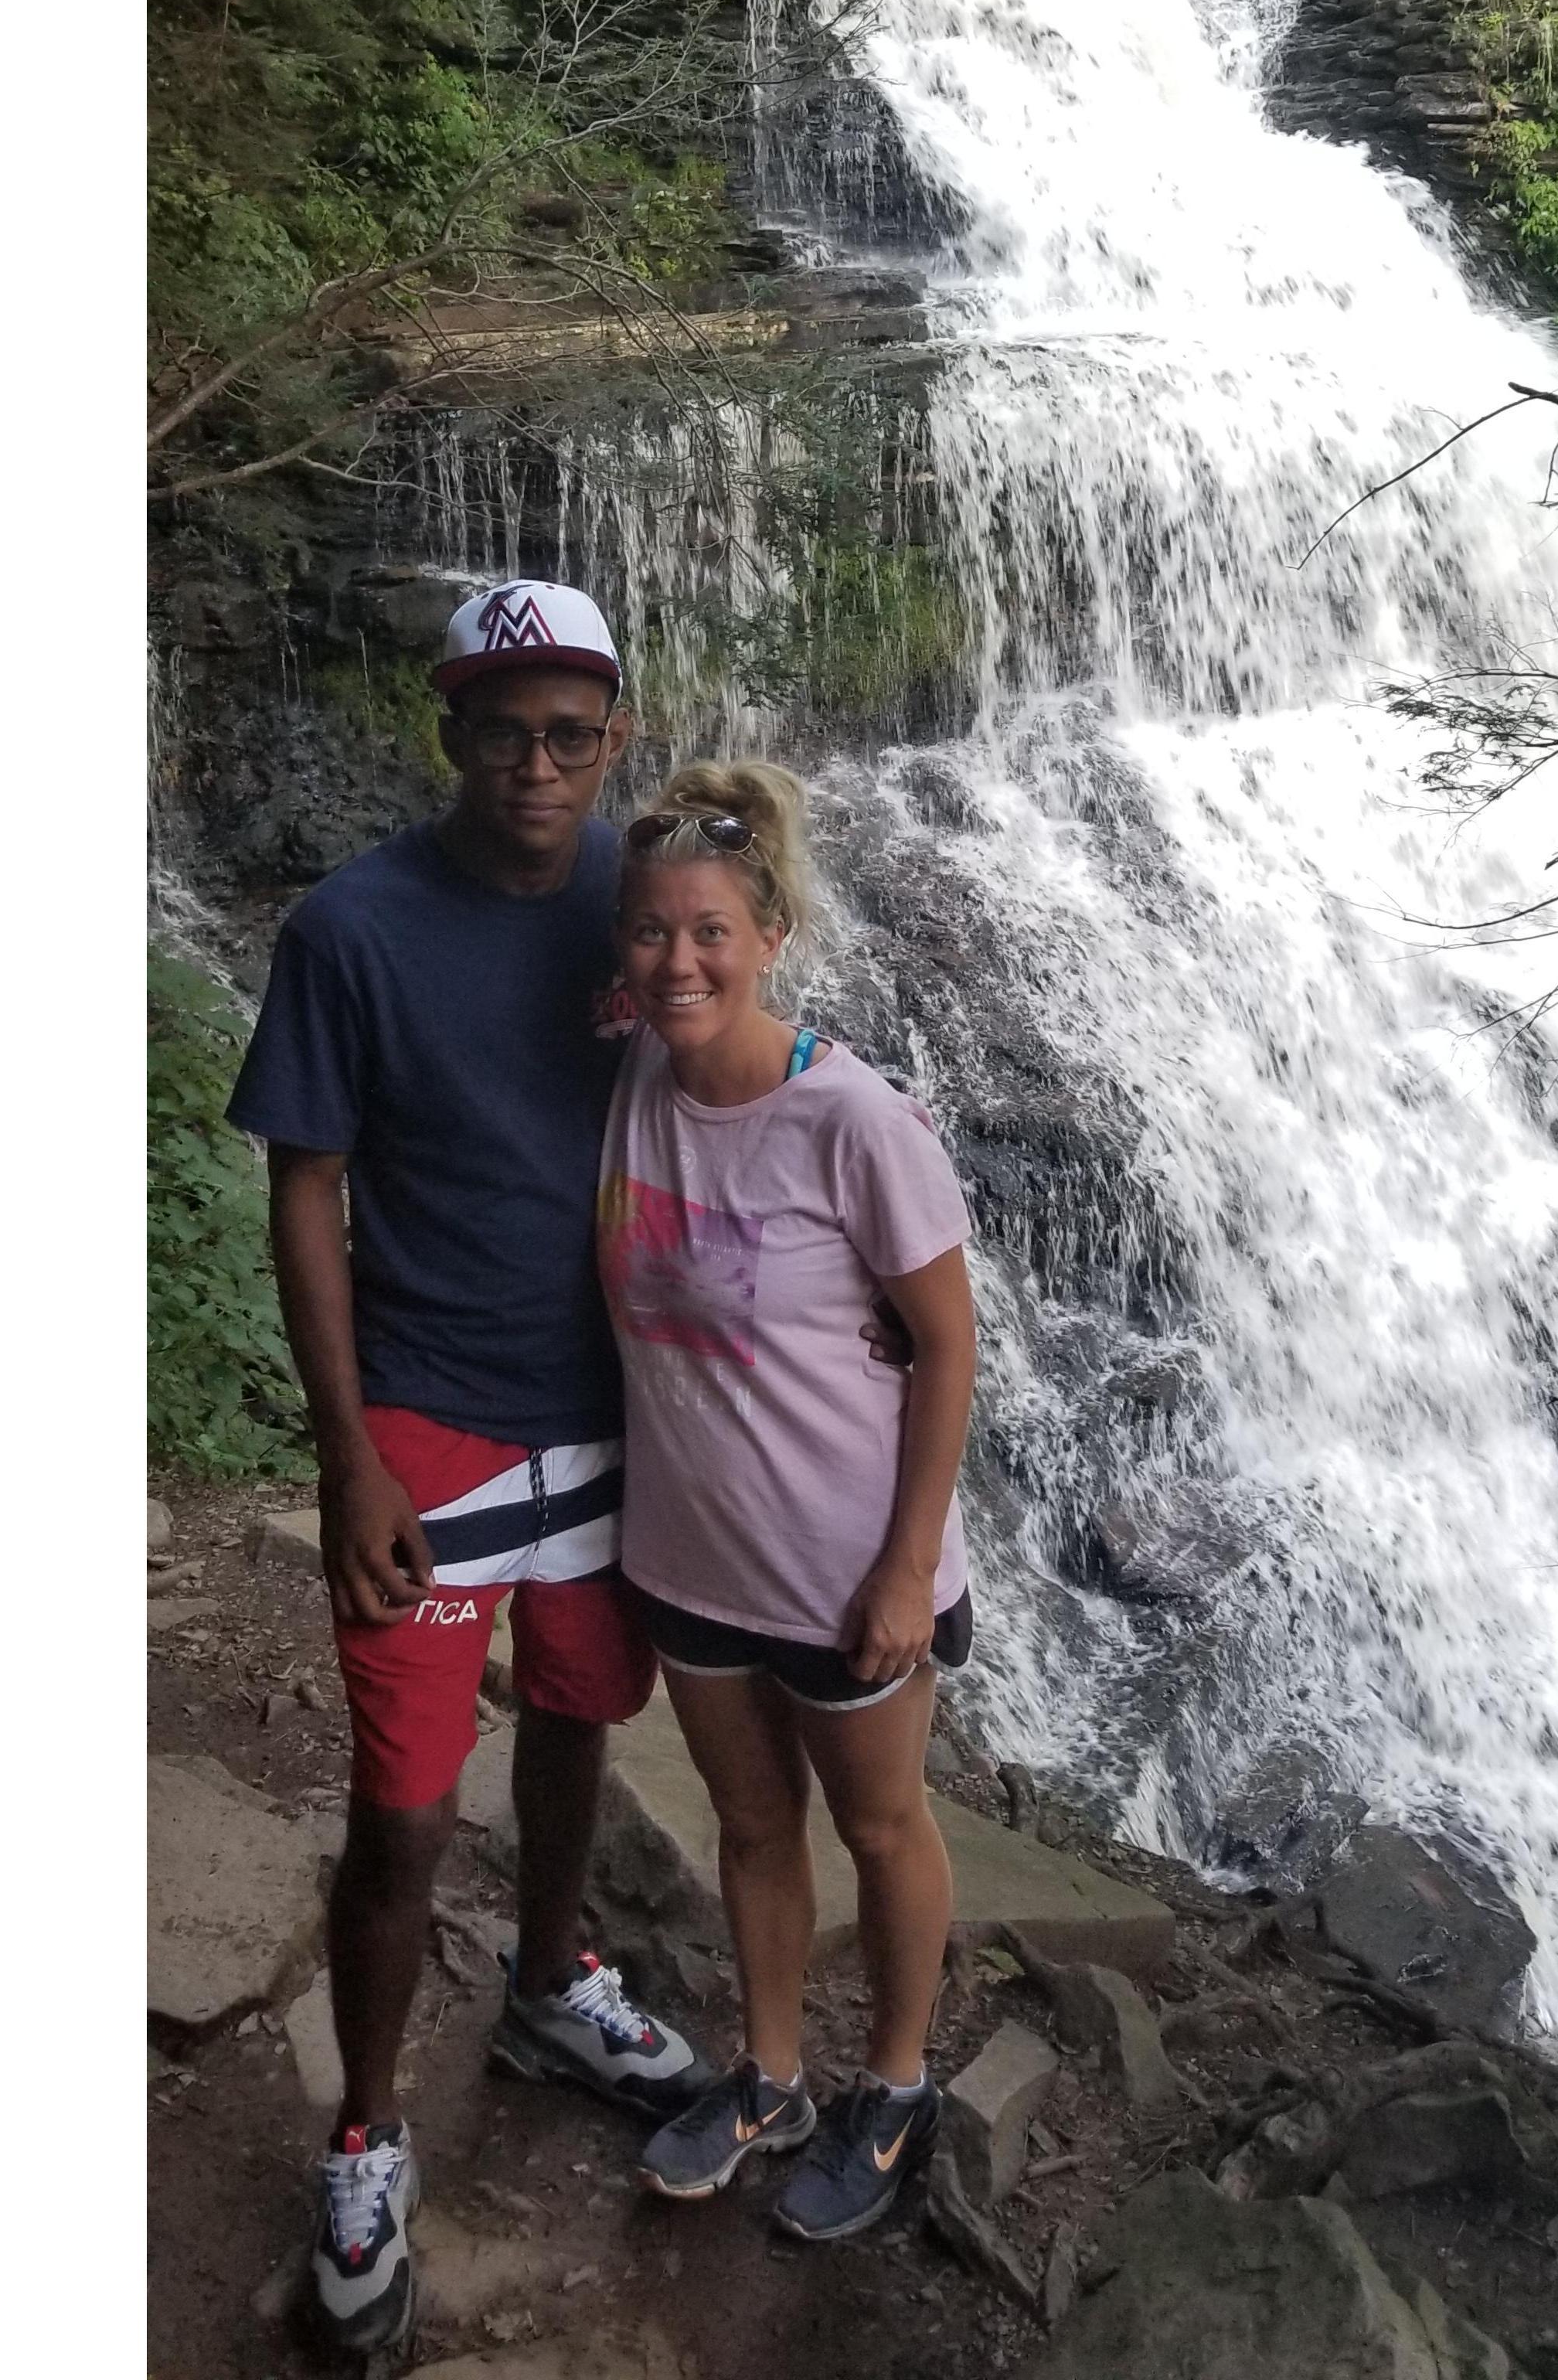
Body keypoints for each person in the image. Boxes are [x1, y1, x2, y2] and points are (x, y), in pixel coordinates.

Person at [226, 578, 710, 2357]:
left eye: (570, 734)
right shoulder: (353, 929)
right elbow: (305, 1185)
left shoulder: (641, 909)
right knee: (406, 1809)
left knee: (579, 1715)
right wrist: (346, 1452)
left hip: (615, 1406)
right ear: (450, 733)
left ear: (614, 738)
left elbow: (742, 1087)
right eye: (503, 732)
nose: (536, 765)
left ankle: (551, 1982)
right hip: (428, 1420)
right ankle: (365, 2132)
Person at [595, 761, 981, 2242]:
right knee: (753, 1826)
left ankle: (897, 2085)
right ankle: (770, 2079)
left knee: (880, 1829)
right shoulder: (635, 1073)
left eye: (710, 932)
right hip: (690, 1557)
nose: (678, 962)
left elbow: (946, 1347)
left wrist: (908, 1569)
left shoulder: (856, 1122)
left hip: (844, 1572)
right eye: (650, 932)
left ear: (770, 937)